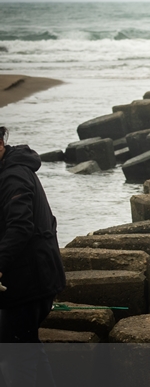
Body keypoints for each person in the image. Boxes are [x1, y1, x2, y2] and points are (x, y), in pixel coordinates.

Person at [0, 126, 65, 385]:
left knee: (15, 357)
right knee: (28, 346)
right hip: (40, 278)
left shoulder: (13, 176)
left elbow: (20, 226)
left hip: (31, 283)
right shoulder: (11, 170)